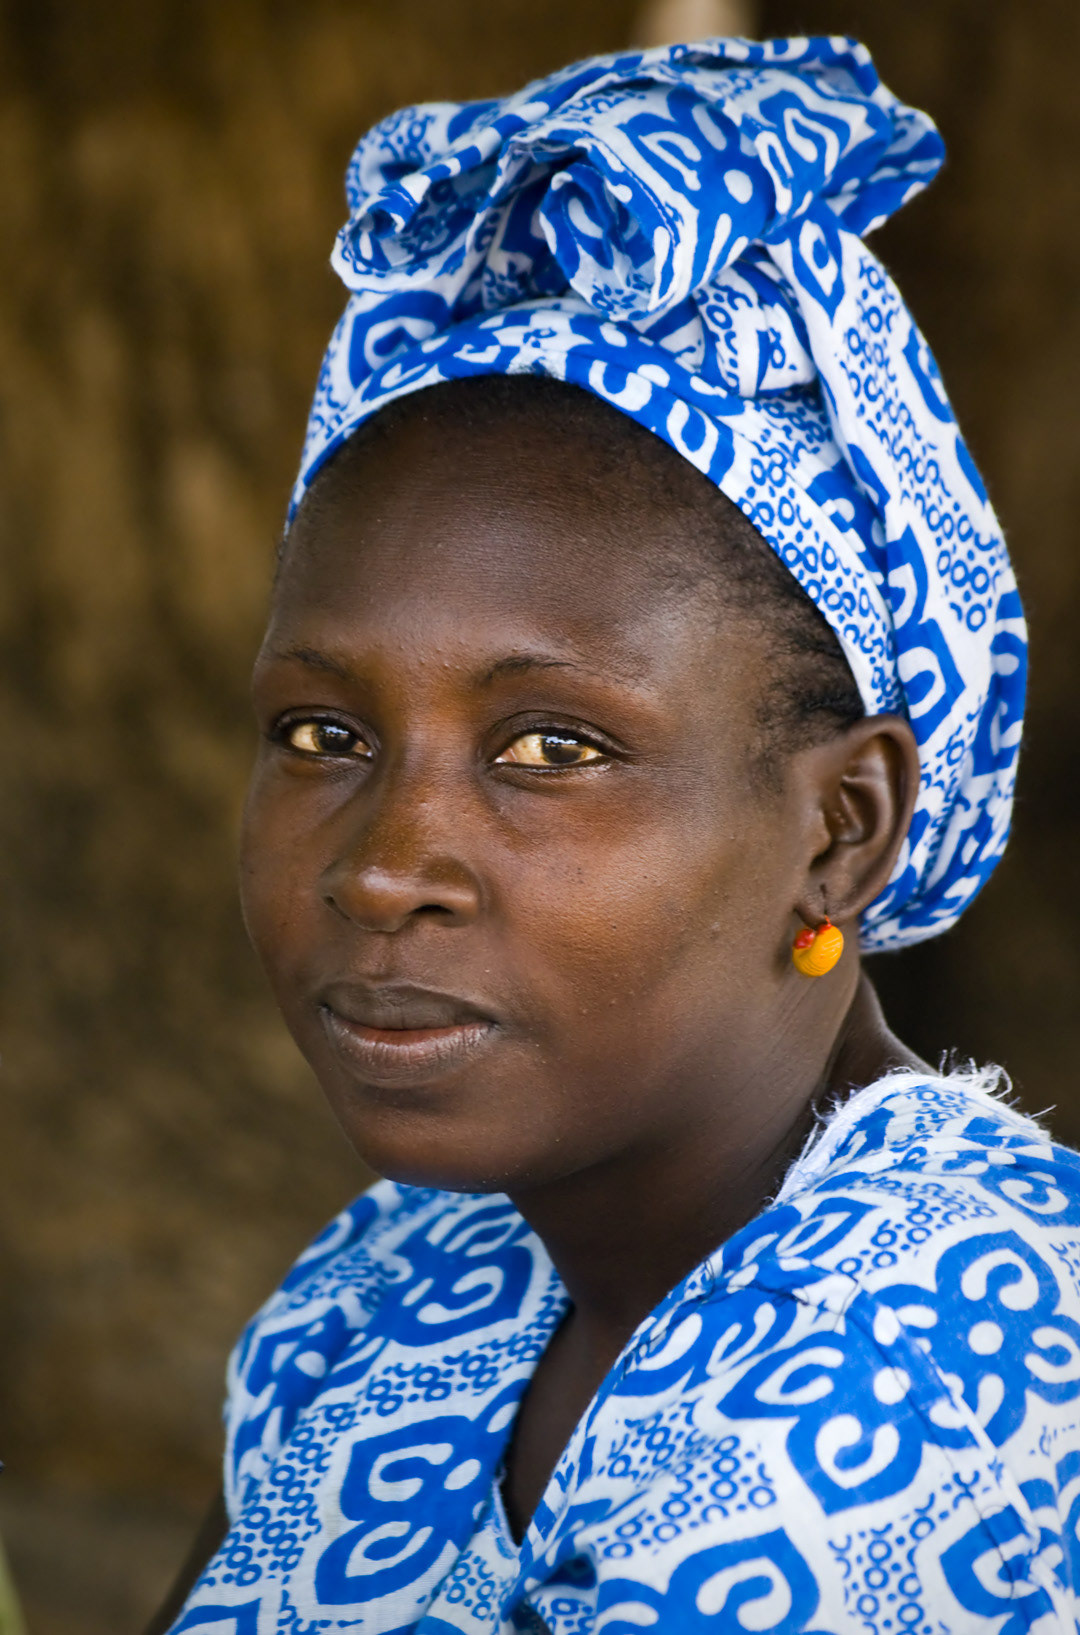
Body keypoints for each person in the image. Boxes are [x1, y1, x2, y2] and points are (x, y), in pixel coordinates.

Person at [149, 34, 1080, 1635]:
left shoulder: (926, 1401)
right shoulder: (400, 1283)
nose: (381, 865)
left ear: (840, 833)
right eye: (325, 734)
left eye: (553, 746)